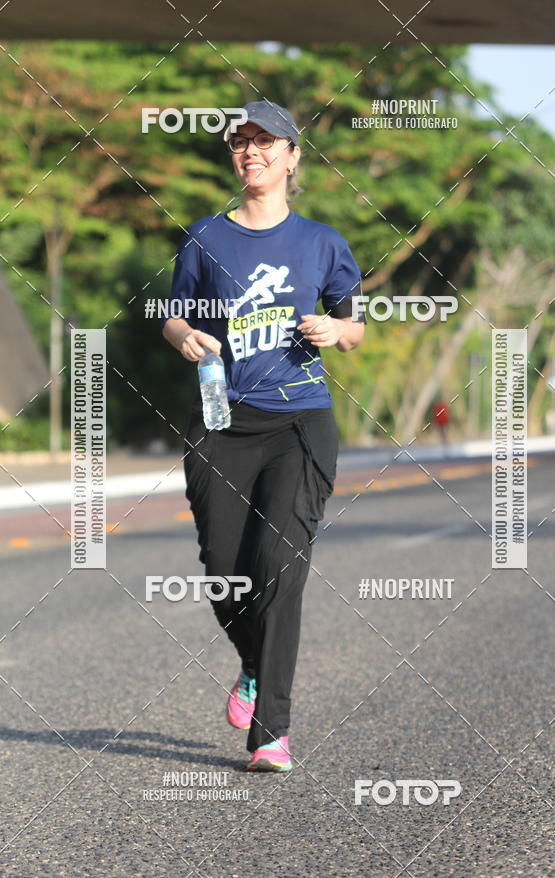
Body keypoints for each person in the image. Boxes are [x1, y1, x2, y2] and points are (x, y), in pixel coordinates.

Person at [162, 100, 366, 772]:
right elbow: (174, 317)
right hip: (222, 420)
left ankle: (272, 730)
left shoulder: (321, 242)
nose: (252, 152)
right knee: (225, 572)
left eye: (265, 142)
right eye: (240, 143)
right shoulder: (205, 239)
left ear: (292, 155)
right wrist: (186, 336)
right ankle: (253, 664)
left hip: (300, 421)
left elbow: (354, 322)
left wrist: (336, 332)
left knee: (279, 570)